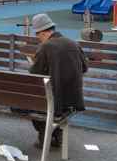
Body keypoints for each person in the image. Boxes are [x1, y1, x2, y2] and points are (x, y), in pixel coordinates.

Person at [26, 13, 87, 149]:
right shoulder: (73, 44)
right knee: (49, 98)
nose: (38, 38)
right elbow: (84, 67)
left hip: (54, 102)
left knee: (32, 101)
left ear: (42, 33)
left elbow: (34, 75)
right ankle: (55, 134)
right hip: (73, 100)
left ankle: (45, 135)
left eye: (37, 35)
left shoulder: (46, 47)